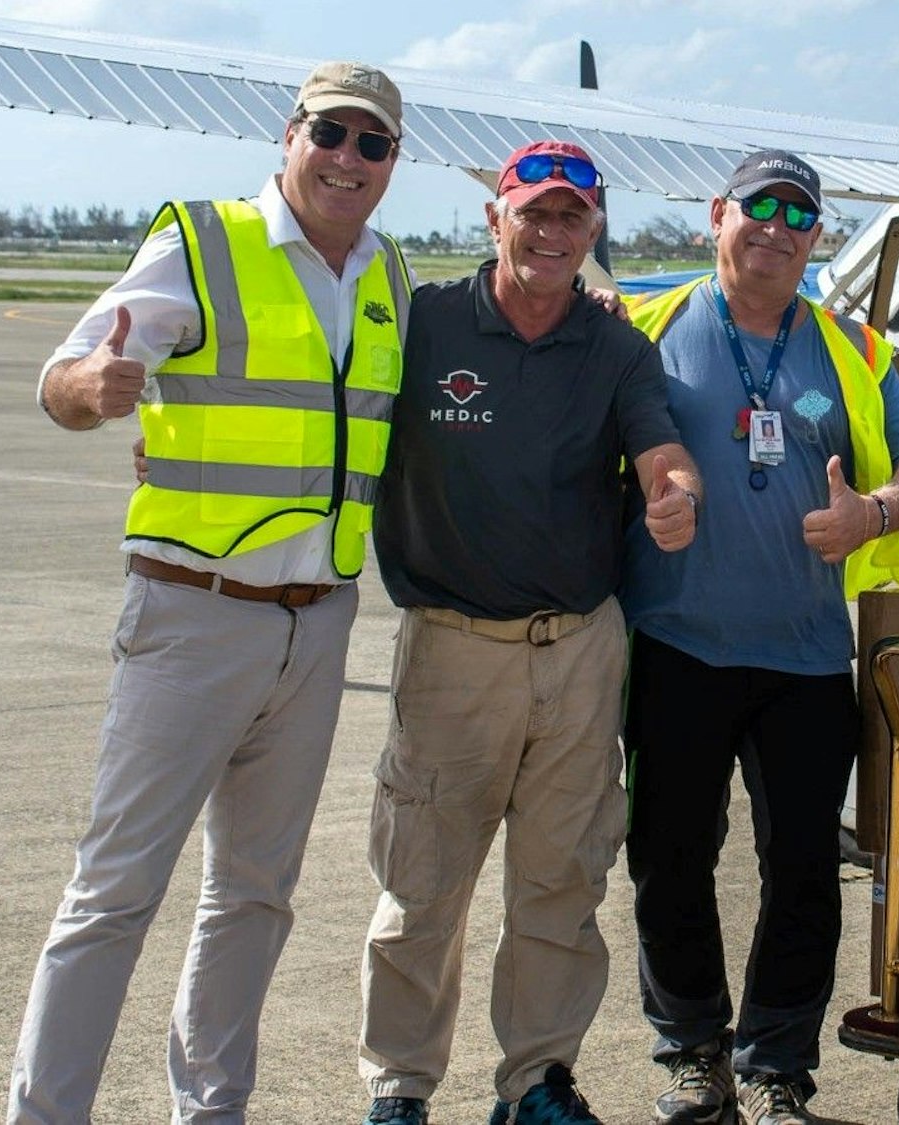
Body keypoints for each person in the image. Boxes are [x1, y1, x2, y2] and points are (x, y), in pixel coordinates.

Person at [12, 62, 413, 1124]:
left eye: (374, 145)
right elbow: (65, 374)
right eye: (332, 134)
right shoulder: (204, 241)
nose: (348, 159)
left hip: (317, 627)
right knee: (114, 896)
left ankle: (212, 1109)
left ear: (392, 166)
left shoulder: (387, 277)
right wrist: (88, 395)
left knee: (254, 897)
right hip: (192, 614)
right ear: (290, 136)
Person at [357, 140, 702, 1125]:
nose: (551, 233)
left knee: (560, 881)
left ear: (593, 233)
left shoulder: (615, 346)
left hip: (577, 653)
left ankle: (536, 1083)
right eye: (534, 213)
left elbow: (659, 446)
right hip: (450, 649)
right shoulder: (424, 324)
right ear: (493, 217)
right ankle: (399, 1088)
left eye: (572, 219)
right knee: (421, 887)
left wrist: (675, 495)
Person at [619, 150, 899, 1125]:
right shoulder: (644, 329)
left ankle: (773, 1073)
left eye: (796, 215)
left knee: (802, 868)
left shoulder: (848, 344)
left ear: (815, 238)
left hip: (805, 661)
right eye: (755, 206)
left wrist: (872, 515)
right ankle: (691, 1059)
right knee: (667, 857)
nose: (774, 226)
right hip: (675, 651)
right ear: (714, 215)